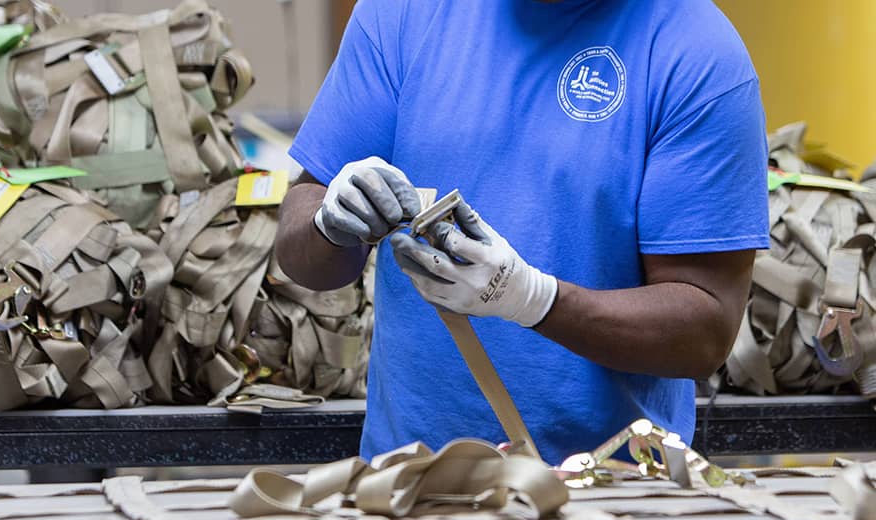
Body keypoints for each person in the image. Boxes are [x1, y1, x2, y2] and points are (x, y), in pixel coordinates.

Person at [276, 0, 768, 464]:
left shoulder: (696, 53)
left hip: (609, 491)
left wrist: (535, 300)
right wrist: (329, 223)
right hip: (410, 483)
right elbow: (304, 259)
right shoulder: (402, 14)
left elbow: (705, 331)